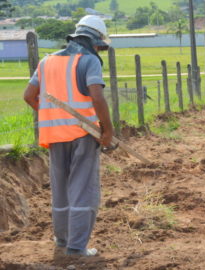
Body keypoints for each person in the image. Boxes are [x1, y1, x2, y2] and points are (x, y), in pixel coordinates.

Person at [23, 15, 113, 257]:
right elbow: (97, 97)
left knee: (61, 190)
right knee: (83, 189)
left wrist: (51, 116)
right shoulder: (90, 60)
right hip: (83, 134)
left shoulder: (46, 62)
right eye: (98, 45)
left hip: (54, 135)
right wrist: (108, 130)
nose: (98, 49)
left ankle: (62, 242)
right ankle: (76, 248)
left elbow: (29, 96)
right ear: (94, 41)